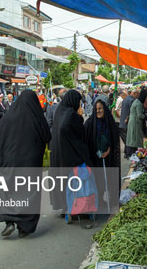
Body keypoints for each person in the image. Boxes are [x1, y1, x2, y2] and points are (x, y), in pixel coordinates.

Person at [0, 90, 51, 238]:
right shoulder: (36, 118)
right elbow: (47, 135)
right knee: (28, 194)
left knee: (7, 193)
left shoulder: (8, 117)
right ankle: (25, 227)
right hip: (30, 165)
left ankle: (9, 221)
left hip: (8, 164)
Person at [49, 90, 94, 228]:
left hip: (58, 155)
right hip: (71, 156)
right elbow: (79, 135)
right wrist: (80, 118)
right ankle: (77, 207)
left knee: (62, 182)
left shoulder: (60, 112)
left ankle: (65, 207)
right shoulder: (72, 116)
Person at [85, 99, 121, 212]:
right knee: (98, 180)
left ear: (105, 109)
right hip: (95, 158)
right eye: (96, 109)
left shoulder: (110, 123)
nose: (98, 111)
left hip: (110, 158)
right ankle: (99, 201)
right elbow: (87, 140)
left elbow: (115, 139)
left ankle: (113, 200)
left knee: (110, 179)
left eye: (100, 109)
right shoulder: (90, 123)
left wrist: (109, 149)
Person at [126, 88, 147, 157]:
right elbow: (140, 115)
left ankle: (131, 154)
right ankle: (131, 155)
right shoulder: (139, 103)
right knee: (134, 139)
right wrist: (146, 116)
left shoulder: (137, 101)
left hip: (133, 122)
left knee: (132, 139)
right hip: (135, 122)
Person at [120, 88, 138, 158]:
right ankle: (128, 154)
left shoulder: (125, 99)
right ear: (134, 93)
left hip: (122, 123)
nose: (137, 96)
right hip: (127, 124)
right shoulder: (132, 100)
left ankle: (126, 153)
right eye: (137, 95)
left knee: (127, 139)